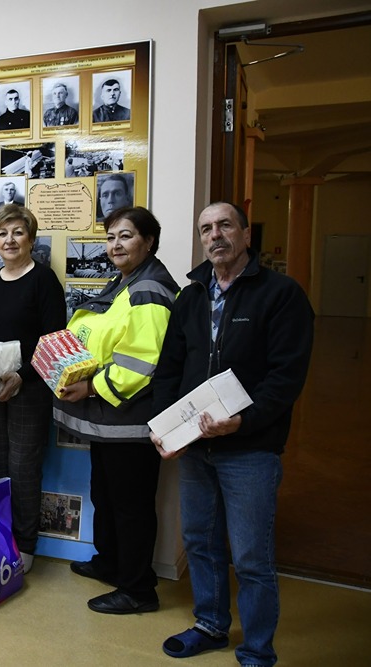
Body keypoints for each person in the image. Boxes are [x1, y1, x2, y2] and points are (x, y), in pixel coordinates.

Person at [150, 202, 314, 667]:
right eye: (206, 228)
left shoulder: (281, 294)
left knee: (250, 557)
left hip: (250, 449)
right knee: (200, 541)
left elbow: (286, 377)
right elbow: (170, 370)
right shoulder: (192, 296)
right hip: (197, 448)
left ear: (245, 234)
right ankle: (211, 625)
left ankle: (258, 650)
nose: (215, 235)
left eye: (225, 225)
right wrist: (168, 428)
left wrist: (245, 421)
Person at [54, 206, 179, 615]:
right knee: (105, 496)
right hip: (109, 422)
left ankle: (138, 589)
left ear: (149, 241)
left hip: (131, 422)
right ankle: (110, 563)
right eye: (110, 238)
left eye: (125, 236)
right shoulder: (125, 282)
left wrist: (90, 384)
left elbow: (141, 362)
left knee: (131, 506)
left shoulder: (150, 289)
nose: (115, 245)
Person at [0, 203, 66, 574]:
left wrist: (22, 375)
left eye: (17, 232)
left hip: (28, 389)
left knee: (23, 468)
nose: (9, 240)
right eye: (2, 234)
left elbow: (54, 341)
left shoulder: (44, 280)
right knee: (0, 465)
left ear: (31, 239)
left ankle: (24, 549)